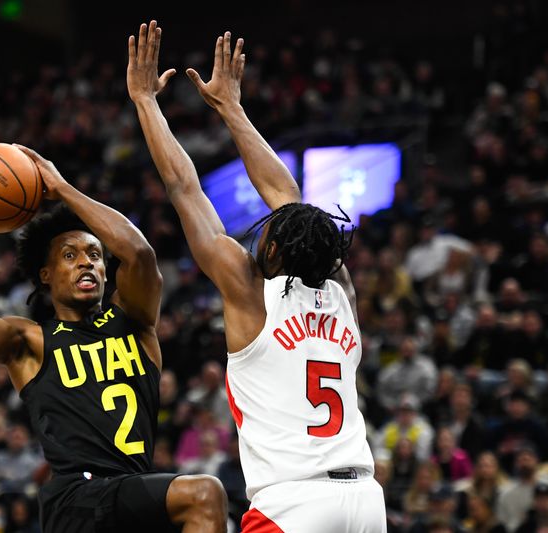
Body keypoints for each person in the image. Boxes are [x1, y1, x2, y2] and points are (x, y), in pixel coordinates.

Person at [0, 34, 228, 529]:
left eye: (93, 254)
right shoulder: (29, 340)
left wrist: (62, 188)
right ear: (46, 274)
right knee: (204, 493)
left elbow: (136, 252)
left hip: (130, 497)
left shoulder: (134, 321)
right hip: (78, 501)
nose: (87, 262)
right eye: (70, 256)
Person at [128, 21, 384, 531]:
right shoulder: (340, 289)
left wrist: (144, 102)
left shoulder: (250, 292)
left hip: (293, 503)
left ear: (272, 247)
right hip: (364, 501)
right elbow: (294, 206)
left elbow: (184, 189)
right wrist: (231, 107)